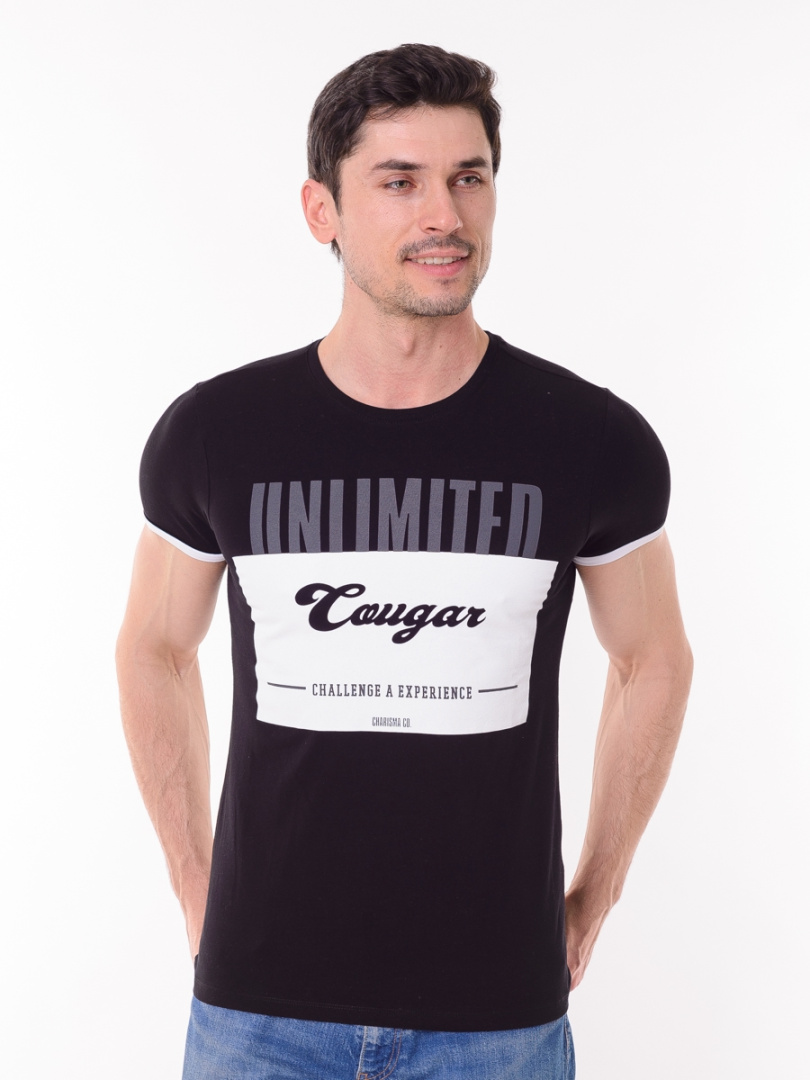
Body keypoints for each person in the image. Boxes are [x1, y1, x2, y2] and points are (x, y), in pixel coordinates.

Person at [116, 43, 692, 1080]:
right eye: (399, 182)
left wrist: (595, 893)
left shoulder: (590, 440)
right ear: (321, 210)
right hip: (257, 1014)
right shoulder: (216, 433)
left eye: (468, 178)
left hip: (497, 1021)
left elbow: (655, 659)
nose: (444, 215)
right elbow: (152, 648)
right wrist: (196, 885)